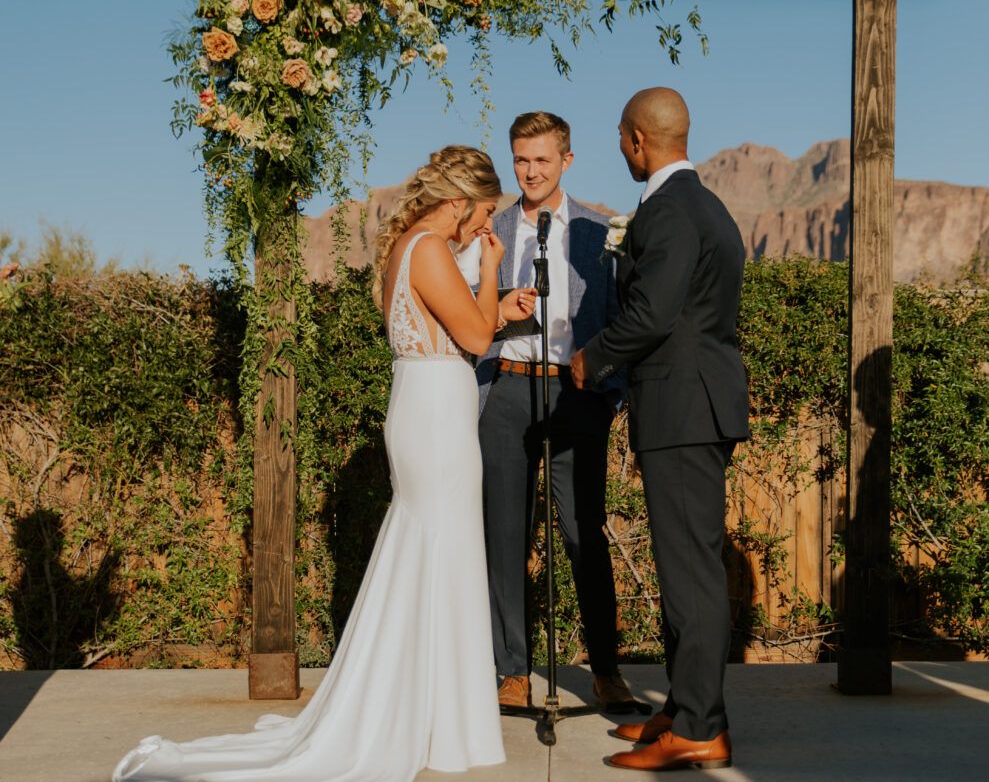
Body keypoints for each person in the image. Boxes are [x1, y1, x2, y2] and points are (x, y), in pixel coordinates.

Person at [113, 145, 535, 782]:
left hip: (424, 402)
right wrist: (491, 277)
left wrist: (495, 309)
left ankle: (429, 711)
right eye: (482, 214)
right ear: (456, 203)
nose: (486, 226)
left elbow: (445, 328)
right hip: (437, 413)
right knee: (440, 548)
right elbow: (473, 340)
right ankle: (437, 721)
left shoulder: (411, 249)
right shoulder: (428, 248)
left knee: (429, 550)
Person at [571, 88, 749, 772]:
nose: (620, 148)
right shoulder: (702, 204)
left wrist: (592, 356)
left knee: (690, 574)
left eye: (620, 138)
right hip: (695, 402)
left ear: (637, 139)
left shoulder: (670, 211)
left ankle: (701, 728)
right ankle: (682, 706)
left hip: (682, 407)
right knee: (687, 566)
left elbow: (651, 314)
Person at [466, 111, 637, 711]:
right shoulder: (492, 227)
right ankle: (510, 671)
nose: (530, 171)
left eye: (541, 159)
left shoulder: (602, 228)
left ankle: (607, 671)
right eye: (520, 160)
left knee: (582, 534)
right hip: (506, 390)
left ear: (566, 160)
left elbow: (623, 317)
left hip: (576, 393)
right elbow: (461, 311)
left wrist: (608, 395)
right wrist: (498, 312)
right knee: (505, 535)